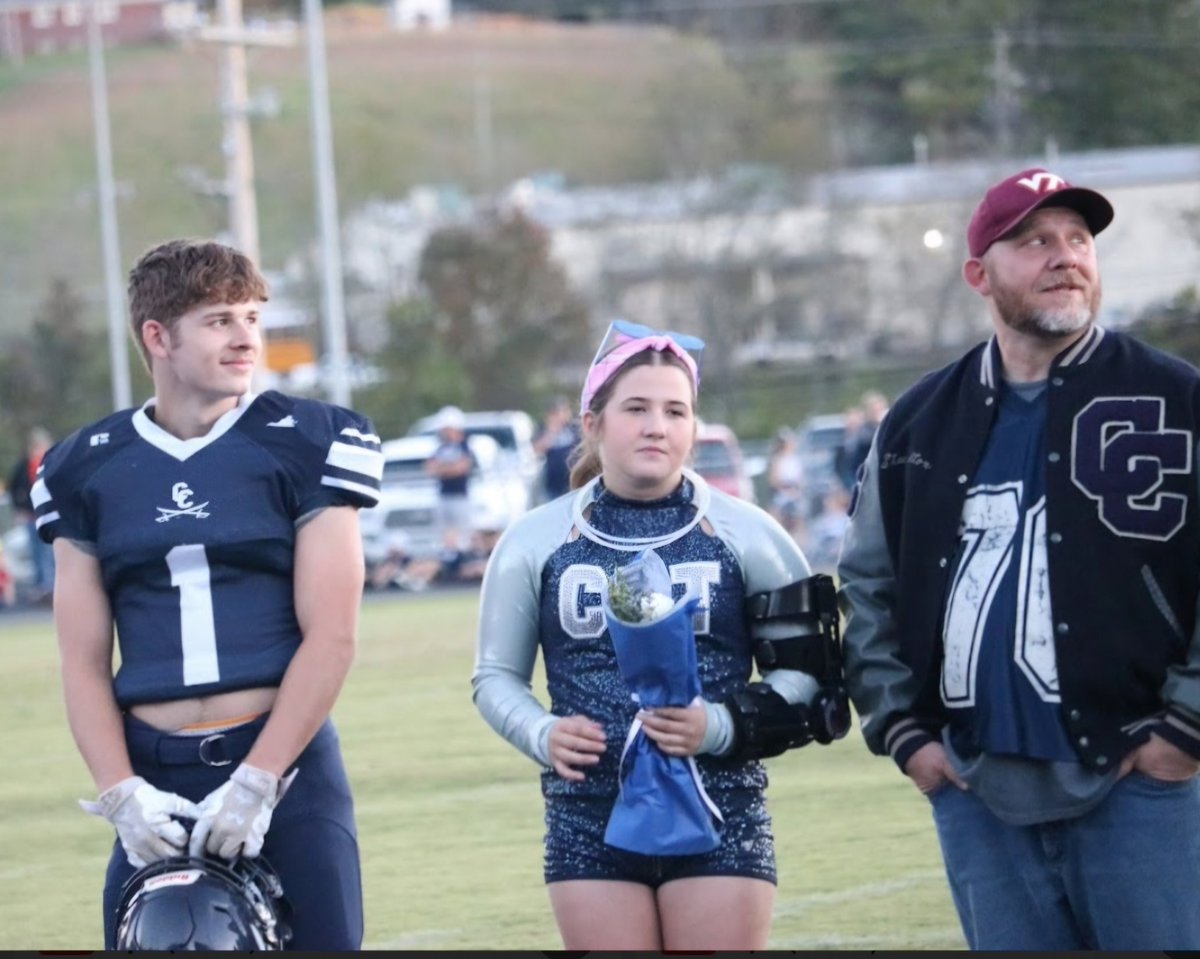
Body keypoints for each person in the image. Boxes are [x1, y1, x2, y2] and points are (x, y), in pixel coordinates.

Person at [837, 167, 1200, 951]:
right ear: (980, 274)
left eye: (1077, 239)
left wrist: (1186, 729)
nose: (1064, 255)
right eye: (1034, 241)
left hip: (1143, 783)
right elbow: (868, 583)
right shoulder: (918, 421)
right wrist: (905, 733)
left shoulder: (1179, 399)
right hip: (978, 789)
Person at [35, 238, 382, 950]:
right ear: (157, 337)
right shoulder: (86, 467)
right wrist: (120, 792)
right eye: (220, 318)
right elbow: (81, 659)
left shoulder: (309, 441)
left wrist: (259, 779)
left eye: (253, 316)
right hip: (151, 774)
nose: (246, 336)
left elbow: (334, 635)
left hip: (285, 769)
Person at [472, 319, 849, 950]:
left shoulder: (748, 533)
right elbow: (495, 677)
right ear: (592, 423)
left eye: (677, 410)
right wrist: (541, 732)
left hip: (720, 807)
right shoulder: (534, 540)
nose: (657, 425)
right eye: (637, 408)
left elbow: (811, 679)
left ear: (694, 426)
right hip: (587, 816)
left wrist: (721, 725)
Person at [8, 425, 55, 602]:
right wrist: (20, 507)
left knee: (51, 552)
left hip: (49, 516)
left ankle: (52, 586)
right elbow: (15, 488)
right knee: (37, 553)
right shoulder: (24, 466)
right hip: (31, 516)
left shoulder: (53, 461)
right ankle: (41, 588)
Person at [423, 405, 475, 552]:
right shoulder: (441, 448)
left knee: (462, 536)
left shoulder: (464, 446)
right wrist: (449, 468)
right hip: (444, 496)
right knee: (443, 536)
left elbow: (462, 467)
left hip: (460, 497)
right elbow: (429, 468)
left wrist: (443, 469)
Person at [532, 394, 581, 503]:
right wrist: (552, 431)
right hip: (552, 487)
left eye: (564, 411)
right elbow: (537, 449)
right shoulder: (544, 429)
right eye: (556, 413)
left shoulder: (575, 428)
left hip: (573, 484)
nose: (561, 415)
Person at [765, 426, 806, 539]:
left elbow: (801, 480)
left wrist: (795, 491)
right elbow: (774, 480)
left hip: (795, 493)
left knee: (800, 516)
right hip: (782, 493)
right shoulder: (777, 460)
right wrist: (785, 489)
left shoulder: (796, 460)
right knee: (776, 514)